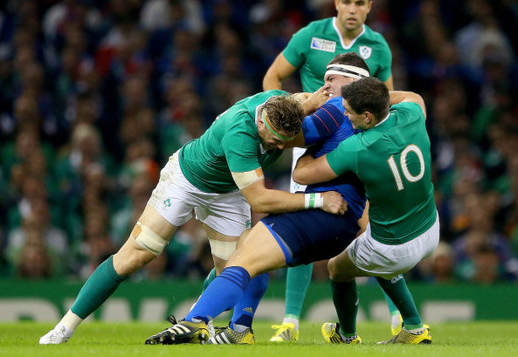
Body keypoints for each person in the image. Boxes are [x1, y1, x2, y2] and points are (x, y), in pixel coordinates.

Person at [39, 88, 346, 345]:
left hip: (228, 192)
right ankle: (64, 327)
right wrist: (318, 200)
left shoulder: (282, 106)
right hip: (188, 180)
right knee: (139, 252)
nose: (280, 146)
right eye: (275, 139)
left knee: (246, 264)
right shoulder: (241, 132)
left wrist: (320, 100)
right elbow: (260, 198)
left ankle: (216, 326)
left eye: (284, 140)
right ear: (262, 123)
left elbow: (303, 101)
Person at [143, 53, 371, 346]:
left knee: (245, 257)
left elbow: (288, 134)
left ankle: (196, 321)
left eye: (330, 79)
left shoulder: (339, 106)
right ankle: (239, 328)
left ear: (352, 82)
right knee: (250, 246)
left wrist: (256, 118)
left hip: (326, 213)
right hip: (341, 221)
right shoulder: (372, 119)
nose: (323, 86)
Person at [262, 0, 396, 341]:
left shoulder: (379, 47)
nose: (352, 10)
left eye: (360, 3)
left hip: (357, 142)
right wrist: (296, 111)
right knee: (299, 221)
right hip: (312, 142)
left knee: (373, 224)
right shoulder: (310, 35)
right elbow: (272, 79)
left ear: (370, 7)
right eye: (346, 2)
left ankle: (398, 318)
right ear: (336, 2)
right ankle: (289, 321)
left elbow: (387, 98)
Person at [293, 77, 439, 344]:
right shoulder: (412, 115)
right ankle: (415, 327)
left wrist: (312, 148)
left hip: (394, 248)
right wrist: (378, 96)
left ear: (368, 117)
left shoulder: (357, 148)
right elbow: (414, 95)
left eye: (347, 111)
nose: (344, 115)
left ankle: (346, 335)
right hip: (431, 230)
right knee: (374, 252)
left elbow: (302, 175)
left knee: (337, 267)